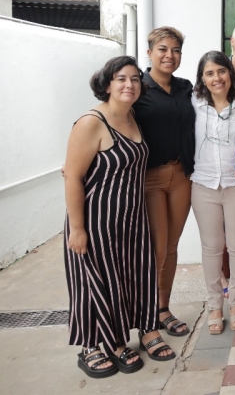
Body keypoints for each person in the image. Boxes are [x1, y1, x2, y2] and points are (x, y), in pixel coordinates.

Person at [64, 56, 176, 379]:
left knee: (129, 279)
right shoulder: (91, 122)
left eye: (135, 79)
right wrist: (77, 228)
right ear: (107, 83)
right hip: (96, 220)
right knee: (94, 283)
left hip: (130, 219)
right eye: (121, 79)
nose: (129, 85)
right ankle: (93, 346)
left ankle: (134, 332)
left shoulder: (131, 118)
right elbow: (72, 176)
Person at [133, 26, 195, 339]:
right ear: (150, 52)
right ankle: (146, 314)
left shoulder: (186, 88)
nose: (169, 55)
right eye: (162, 49)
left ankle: (162, 308)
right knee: (156, 248)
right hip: (150, 178)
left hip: (181, 176)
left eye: (175, 50)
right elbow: (111, 120)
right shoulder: (137, 88)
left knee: (171, 246)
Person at [191, 51, 235, 335]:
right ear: (202, 79)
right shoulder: (193, 104)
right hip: (203, 185)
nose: (217, 78)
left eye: (221, 71)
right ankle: (215, 305)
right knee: (212, 248)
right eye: (209, 73)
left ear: (231, 73)